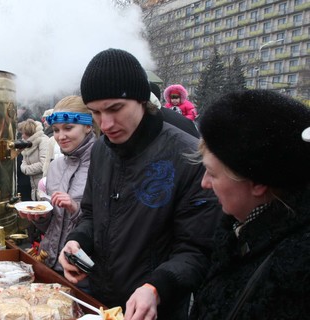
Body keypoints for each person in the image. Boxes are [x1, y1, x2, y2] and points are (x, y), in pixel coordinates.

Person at [58, 48, 221, 319]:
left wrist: (156, 287)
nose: (106, 124)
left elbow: (199, 249)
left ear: (143, 101)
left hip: (157, 309)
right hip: (99, 303)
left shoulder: (189, 156)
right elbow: (90, 214)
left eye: (115, 109)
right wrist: (76, 241)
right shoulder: (100, 149)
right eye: (95, 113)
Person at [188, 90, 310, 319]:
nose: (204, 183)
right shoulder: (237, 230)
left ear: (257, 183)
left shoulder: (295, 272)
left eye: (212, 173)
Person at [18, 96, 95, 282]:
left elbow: (105, 223)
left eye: (68, 128)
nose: (61, 136)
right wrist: (40, 217)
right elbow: (53, 222)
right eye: (56, 130)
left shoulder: (101, 165)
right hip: (48, 261)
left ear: (88, 126)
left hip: (81, 269)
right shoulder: (56, 166)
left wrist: (74, 208)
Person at [17, 119, 49, 201]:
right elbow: (24, 161)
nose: (22, 136)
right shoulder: (28, 143)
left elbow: (44, 164)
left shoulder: (43, 140)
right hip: (34, 186)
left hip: (44, 186)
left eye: (23, 133)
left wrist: (25, 169)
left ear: (29, 132)